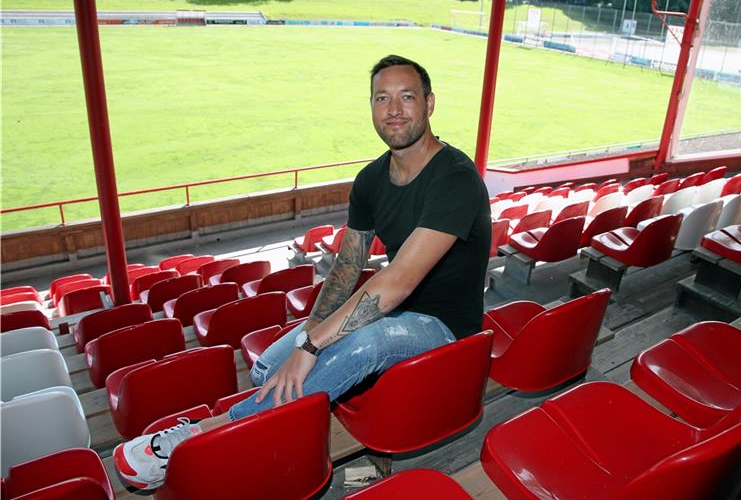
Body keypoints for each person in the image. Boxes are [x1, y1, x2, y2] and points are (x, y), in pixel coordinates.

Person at [114, 54, 491, 491]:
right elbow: (348, 267)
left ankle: (201, 436)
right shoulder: (371, 180)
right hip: (392, 312)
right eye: (381, 98)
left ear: (429, 104)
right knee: (270, 367)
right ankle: (282, 428)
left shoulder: (455, 177)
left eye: (407, 97)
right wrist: (307, 334)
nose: (393, 109)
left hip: (444, 327)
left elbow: (398, 282)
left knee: (359, 344)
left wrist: (313, 346)